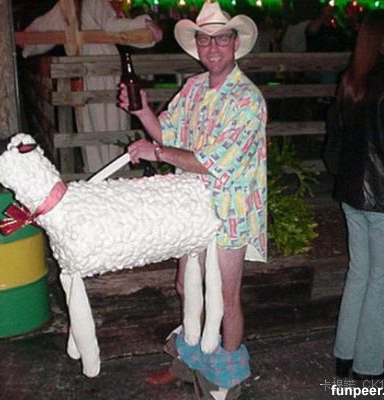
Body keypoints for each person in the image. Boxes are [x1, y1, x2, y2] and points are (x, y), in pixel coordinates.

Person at [118, 2, 267, 397]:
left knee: (225, 297)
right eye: (205, 40)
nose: (212, 47)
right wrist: (142, 111)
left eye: (221, 39)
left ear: (235, 43)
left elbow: (212, 163)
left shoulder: (247, 100)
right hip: (193, 206)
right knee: (187, 286)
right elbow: (167, 134)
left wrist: (157, 153)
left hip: (229, 212)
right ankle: (189, 362)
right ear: (197, 46)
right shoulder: (195, 87)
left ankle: (228, 377)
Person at [325, 9, 384, 380]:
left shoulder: (352, 80)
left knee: (359, 274)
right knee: (381, 281)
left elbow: (349, 139)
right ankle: (368, 367)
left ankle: (345, 355)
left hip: (353, 193)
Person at [21, 0, 163, 173]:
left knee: (94, 124)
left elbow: (42, 27)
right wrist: (145, 24)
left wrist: (26, 38)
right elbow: (111, 25)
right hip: (103, 67)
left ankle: (101, 172)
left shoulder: (70, 4)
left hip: (87, 68)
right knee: (108, 123)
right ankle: (111, 173)